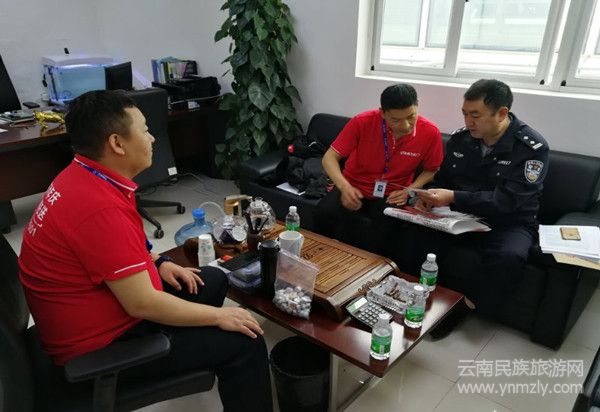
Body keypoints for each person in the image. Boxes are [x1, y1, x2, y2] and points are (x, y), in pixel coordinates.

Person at [18, 90, 272, 411]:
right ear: (117, 143)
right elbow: (141, 303)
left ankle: (201, 350)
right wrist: (219, 316)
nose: (152, 139)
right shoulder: (98, 208)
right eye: (145, 130)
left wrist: (160, 261)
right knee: (246, 342)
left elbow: (112, 247)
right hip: (101, 348)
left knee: (212, 279)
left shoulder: (86, 175)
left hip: (104, 306)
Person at [396, 79, 549, 339]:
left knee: (509, 257)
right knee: (416, 233)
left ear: (501, 113)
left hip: (508, 221)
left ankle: (462, 309)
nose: (468, 122)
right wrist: (429, 197)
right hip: (460, 214)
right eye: (465, 114)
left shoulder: (531, 148)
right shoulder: (461, 139)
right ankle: (413, 295)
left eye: (475, 115)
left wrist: (453, 197)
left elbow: (506, 201)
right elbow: (444, 178)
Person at [315, 83, 444, 253]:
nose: (405, 125)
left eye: (411, 116)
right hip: (353, 185)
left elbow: (432, 169)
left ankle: (372, 266)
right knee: (324, 213)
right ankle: (324, 258)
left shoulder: (430, 132)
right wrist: (344, 187)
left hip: (393, 193)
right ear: (382, 113)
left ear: (417, 105)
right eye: (396, 120)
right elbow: (329, 157)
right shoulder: (362, 122)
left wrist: (410, 190)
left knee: (385, 228)